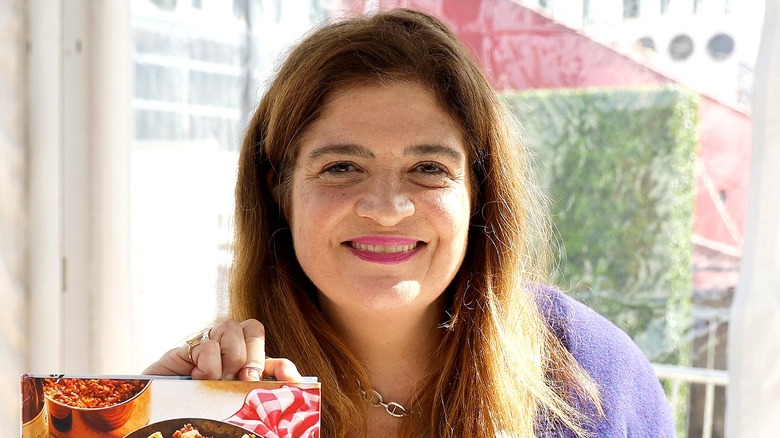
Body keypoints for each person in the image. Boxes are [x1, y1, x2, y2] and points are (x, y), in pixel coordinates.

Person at [144, 8, 675, 438]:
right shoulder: (215, 400)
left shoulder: (591, 374)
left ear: (479, 194)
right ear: (278, 191)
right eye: (342, 167)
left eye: (428, 169)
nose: (387, 207)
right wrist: (127, 426)